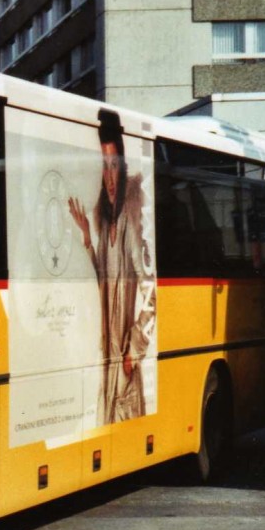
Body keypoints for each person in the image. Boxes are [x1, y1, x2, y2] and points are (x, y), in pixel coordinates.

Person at [67, 112, 154, 424]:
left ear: (123, 165)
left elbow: (150, 289)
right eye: (104, 166)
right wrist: (87, 238)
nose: (109, 176)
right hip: (108, 352)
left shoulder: (132, 210)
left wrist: (134, 349)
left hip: (125, 354)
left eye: (114, 165)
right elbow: (100, 279)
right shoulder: (104, 219)